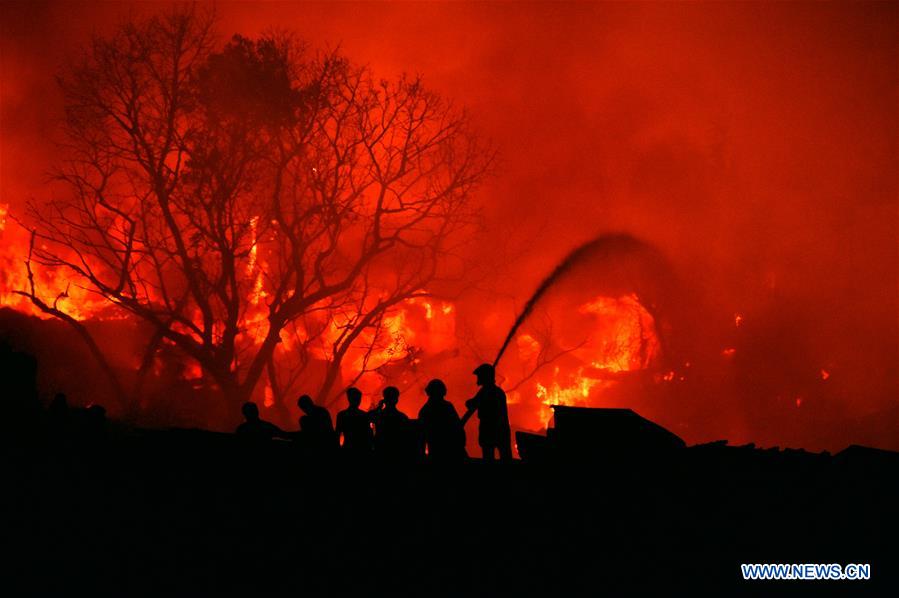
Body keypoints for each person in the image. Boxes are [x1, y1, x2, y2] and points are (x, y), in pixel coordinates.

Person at [465, 363, 512, 461]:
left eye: (479, 376)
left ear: (484, 377)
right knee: (505, 457)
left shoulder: (485, 392)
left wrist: (469, 402)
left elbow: (472, 404)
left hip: (489, 429)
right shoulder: (498, 392)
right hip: (501, 430)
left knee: (488, 459)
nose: (478, 378)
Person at [417, 379, 466, 462]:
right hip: (450, 450)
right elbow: (458, 427)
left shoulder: (425, 410)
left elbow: (421, 436)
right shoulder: (447, 407)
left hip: (437, 451)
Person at [370, 386, 412, 461]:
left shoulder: (379, 415)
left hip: (380, 452)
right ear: (396, 400)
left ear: (384, 399)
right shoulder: (402, 417)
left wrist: (379, 407)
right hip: (397, 453)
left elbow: (367, 418)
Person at [335, 387, 373, 455]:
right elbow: (369, 435)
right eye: (357, 399)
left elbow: (337, 433)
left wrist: (338, 449)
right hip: (361, 450)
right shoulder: (364, 415)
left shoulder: (342, 415)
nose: (358, 401)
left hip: (347, 448)